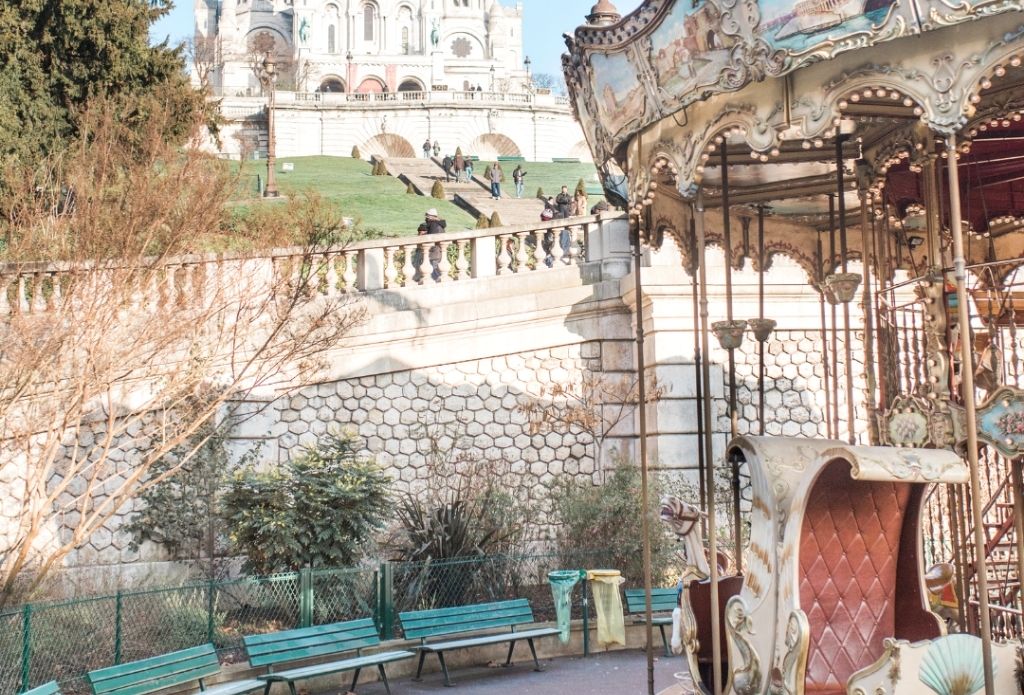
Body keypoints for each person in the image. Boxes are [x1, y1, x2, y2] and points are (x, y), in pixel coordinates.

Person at [423, 208, 447, 281]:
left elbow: (431, 238)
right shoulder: (439, 224)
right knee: (437, 270)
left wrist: (425, 235)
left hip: (435, 251)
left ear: (431, 217)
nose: (426, 218)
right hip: (440, 251)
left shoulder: (433, 224)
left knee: (435, 272)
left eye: (427, 216)